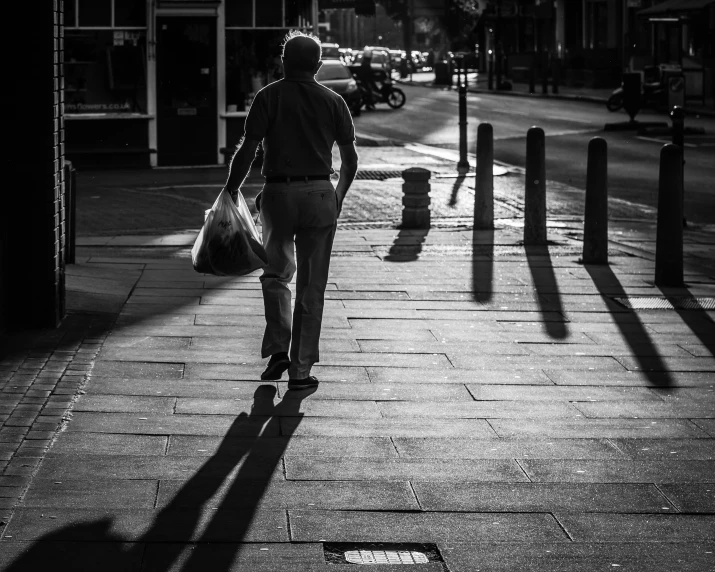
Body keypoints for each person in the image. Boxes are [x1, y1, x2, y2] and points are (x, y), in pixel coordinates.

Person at [223, 30, 359, 391]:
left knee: (275, 274)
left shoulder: (268, 97)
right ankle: (300, 371)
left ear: (283, 62)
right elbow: (350, 161)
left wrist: (231, 190)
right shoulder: (334, 101)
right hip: (319, 193)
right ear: (317, 65)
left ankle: (278, 349)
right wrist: (338, 197)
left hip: (279, 193)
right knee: (312, 286)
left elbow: (248, 151)